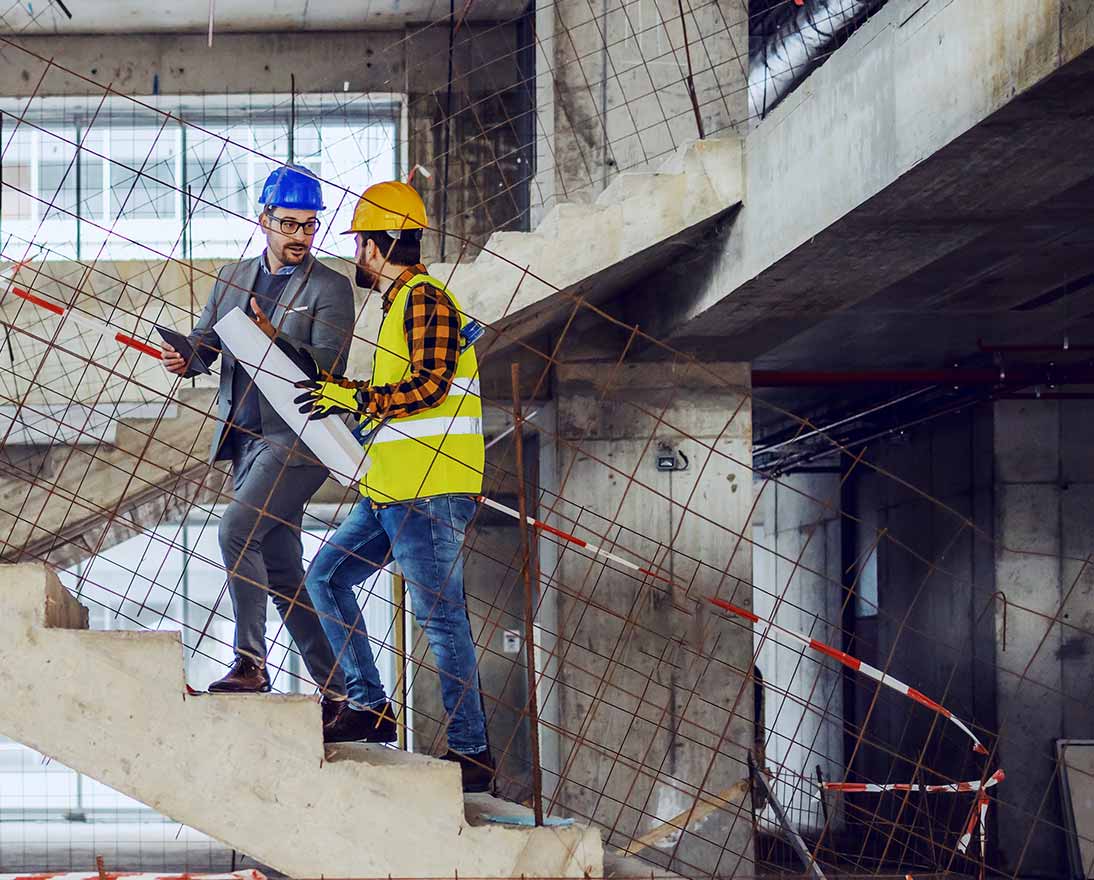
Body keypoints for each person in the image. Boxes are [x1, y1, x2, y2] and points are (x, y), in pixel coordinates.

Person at [292, 180, 492, 792]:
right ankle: (370, 707)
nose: (355, 254)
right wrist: (348, 406)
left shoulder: (425, 299)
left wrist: (354, 396)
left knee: (440, 619)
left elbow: (430, 387)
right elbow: (398, 402)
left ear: (380, 245)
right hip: (392, 491)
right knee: (325, 577)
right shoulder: (398, 306)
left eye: (360, 243)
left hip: (428, 491)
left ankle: (472, 755)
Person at [161, 164, 354, 727]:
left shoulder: (330, 287)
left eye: (310, 226)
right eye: (289, 224)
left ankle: (250, 663)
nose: (300, 236)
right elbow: (208, 346)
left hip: (297, 437)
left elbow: (328, 367)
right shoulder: (231, 277)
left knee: (233, 531)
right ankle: (343, 692)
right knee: (283, 569)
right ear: (264, 220)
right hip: (244, 441)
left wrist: (275, 337)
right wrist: (187, 358)